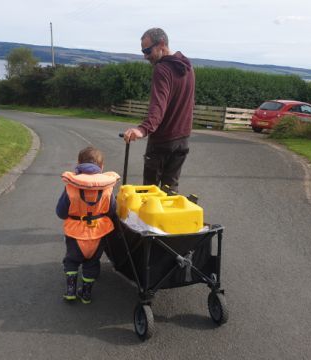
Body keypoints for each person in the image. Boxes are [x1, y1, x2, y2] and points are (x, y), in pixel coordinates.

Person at [123, 28, 195, 193]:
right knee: (170, 191)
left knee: (150, 192)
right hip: (182, 140)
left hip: (162, 141)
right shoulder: (189, 68)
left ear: (161, 45)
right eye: (143, 51)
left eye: (147, 50)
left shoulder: (162, 69)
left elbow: (158, 105)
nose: (145, 56)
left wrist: (143, 129)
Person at [56, 146, 120, 303]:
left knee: (71, 260)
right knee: (92, 263)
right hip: (98, 232)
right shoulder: (107, 188)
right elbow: (112, 210)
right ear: (101, 167)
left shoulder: (71, 187)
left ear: (78, 163)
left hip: (75, 233)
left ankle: (70, 290)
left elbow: (61, 212)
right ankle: (86, 294)